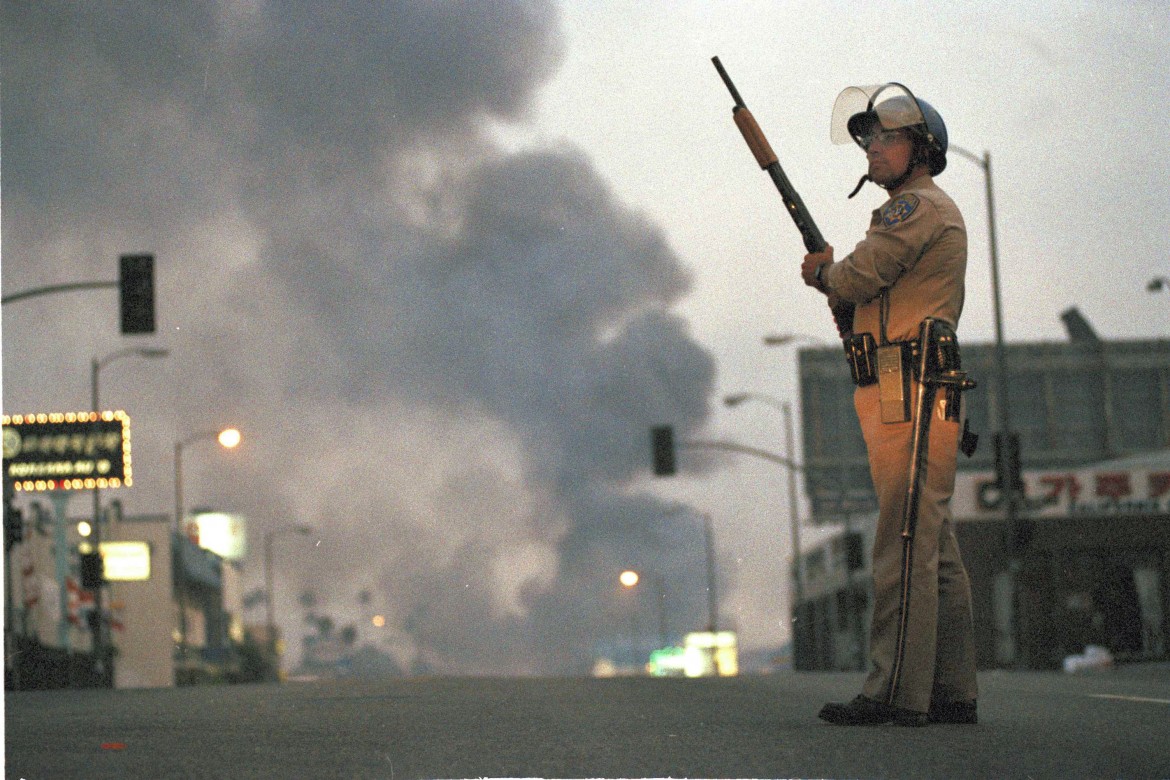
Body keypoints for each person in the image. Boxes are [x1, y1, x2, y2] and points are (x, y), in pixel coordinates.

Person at [800, 83, 978, 727]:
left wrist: (822, 271)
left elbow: (857, 276)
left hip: (910, 387)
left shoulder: (914, 208)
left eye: (886, 136)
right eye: (868, 138)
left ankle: (892, 691)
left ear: (920, 148)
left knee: (902, 541)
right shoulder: (919, 209)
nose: (872, 148)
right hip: (908, 382)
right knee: (935, 546)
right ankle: (953, 691)